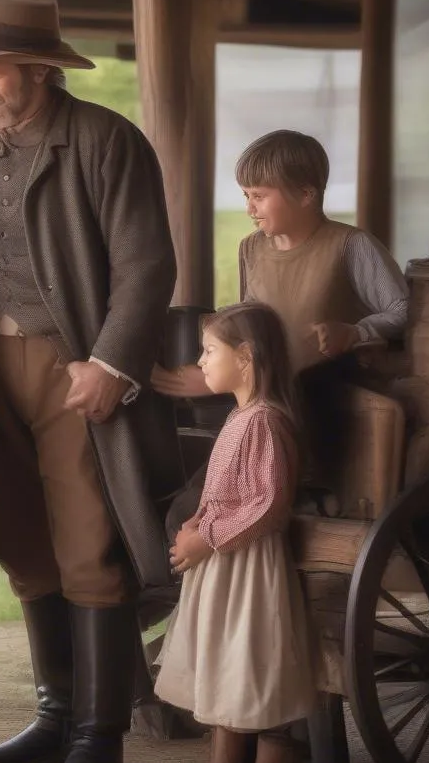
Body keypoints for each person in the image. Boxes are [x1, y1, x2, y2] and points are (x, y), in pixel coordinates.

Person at [0, 0, 183, 763]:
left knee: (87, 543)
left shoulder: (106, 140)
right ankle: (53, 713)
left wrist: (109, 364)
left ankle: (99, 736)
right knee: (27, 546)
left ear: (38, 68)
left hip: (75, 369)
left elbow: (147, 266)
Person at [152, 130, 408, 522]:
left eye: (259, 196)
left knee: (309, 384)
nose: (250, 209)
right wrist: (211, 370)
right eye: (245, 196)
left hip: (327, 395)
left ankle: (304, 490)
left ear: (306, 194)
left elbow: (402, 308)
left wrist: (355, 332)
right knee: (190, 502)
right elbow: (249, 330)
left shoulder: (350, 245)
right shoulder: (251, 249)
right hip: (266, 397)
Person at [153, 302, 316, 763]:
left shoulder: (265, 421)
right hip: (225, 559)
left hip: (247, 564)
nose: (200, 362)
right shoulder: (240, 416)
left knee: (249, 659)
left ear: (245, 357)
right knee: (222, 657)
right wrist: (196, 523)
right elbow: (222, 490)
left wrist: (210, 537)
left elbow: (267, 502)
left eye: (208, 351)